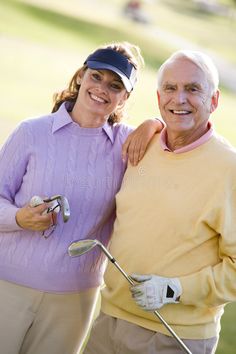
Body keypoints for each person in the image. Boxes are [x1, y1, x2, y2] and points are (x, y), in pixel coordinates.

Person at [0, 42, 163, 354]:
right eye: (96, 76)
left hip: (73, 301)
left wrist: (154, 124)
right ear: (81, 76)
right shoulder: (31, 132)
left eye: (115, 86)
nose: (102, 89)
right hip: (7, 286)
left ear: (125, 98)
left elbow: (181, 136)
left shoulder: (127, 145)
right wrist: (19, 217)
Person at [84, 50, 236, 354]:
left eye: (193, 89)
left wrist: (175, 289)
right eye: (170, 88)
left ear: (214, 100)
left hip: (173, 337)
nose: (179, 99)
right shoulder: (141, 145)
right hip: (108, 321)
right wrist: (152, 124)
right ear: (158, 97)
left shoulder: (229, 170)